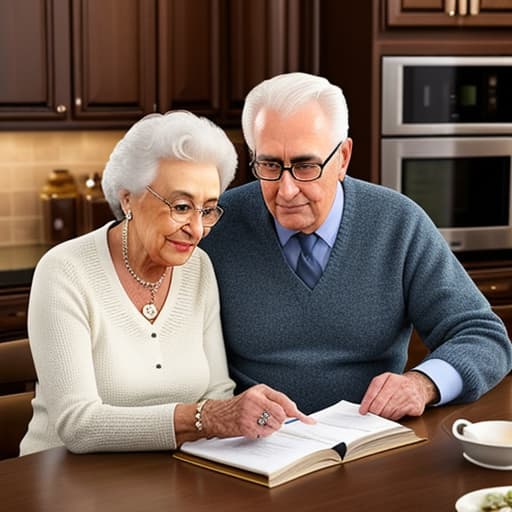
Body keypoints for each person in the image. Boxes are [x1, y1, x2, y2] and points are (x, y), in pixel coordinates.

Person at [200, 72, 512, 421]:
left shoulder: (399, 223)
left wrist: (422, 384)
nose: (286, 190)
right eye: (270, 165)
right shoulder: (215, 225)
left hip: (370, 442)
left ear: (343, 157)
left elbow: (484, 337)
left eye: (306, 166)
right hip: (252, 447)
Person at [20, 111, 312, 456]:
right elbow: (78, 426)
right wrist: (203, 418)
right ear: (128, 198)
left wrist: (234, 414)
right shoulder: (65, 271)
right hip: (64, 480)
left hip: (173, 473)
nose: (197, 229)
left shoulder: (198, 267)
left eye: (208, 210)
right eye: (182, 206)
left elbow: (217, 392)